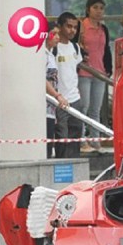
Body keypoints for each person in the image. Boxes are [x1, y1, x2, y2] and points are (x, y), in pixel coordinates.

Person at [77, 0, 112, 152]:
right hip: (84, 71)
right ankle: (81, 140)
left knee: (96, 109)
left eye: (101, 8)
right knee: (83, 106)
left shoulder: (103, 29)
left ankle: (95, 140)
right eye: (95, 7)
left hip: (100, 72)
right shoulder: (81, 26)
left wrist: (108, 67)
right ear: (88, 9)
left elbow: (106, 50)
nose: (99, 11)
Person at [54, 12, 84, 159]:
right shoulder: (54, 48)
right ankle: (62, 165)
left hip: (75, 98)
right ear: (60, 27)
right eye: (69, 26)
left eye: (75, 27)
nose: (72, 30)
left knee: (76, 134)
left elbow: (74, 69)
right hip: (59, 100)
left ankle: (74, 164)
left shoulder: (75, 47)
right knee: (62, 136)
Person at [45, 26, 68, 159]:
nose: (58, 37)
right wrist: (57, 95)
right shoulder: (42, 55)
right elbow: (42, 79)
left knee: (50, 142)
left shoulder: (51, 54)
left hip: (51, 108)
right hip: (44, 107)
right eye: (54, 34)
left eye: (58, 34)